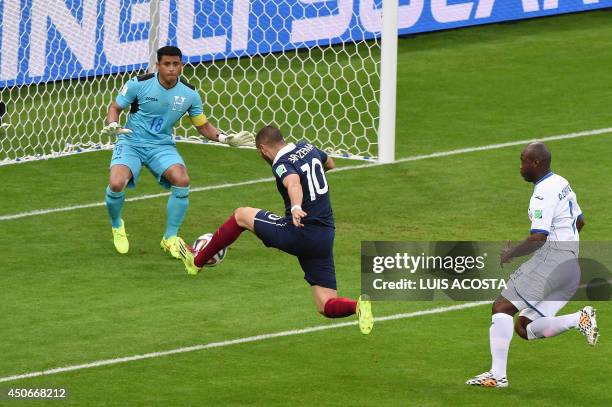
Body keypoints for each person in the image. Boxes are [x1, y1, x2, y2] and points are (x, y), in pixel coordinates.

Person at [175, 125, 373, 334]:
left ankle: (196, 262)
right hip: (324, 236)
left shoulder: (281, 162)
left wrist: (296, 206)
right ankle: (358, 306)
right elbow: (329, 163)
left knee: (241, 215)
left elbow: (293, 183)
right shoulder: (308, 147)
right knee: (325, 304)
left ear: (262, 149)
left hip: (299, 231)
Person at [466, 142, 598, 388]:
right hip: (571, 266)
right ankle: (579, 319)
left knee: (502, 307)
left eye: (523, 161)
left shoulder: (542, 193)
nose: (520, 167)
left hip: (553, 262)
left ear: (536, 163)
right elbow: (579, 222)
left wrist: (511, 254)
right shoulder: (562, 182)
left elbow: (539, 237)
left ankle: (497, 375)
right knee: (525, 328)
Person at [102, 46, 254, 257]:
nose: (171, 69)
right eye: (167, 64)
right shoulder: (139, 84)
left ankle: (170, 238)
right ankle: (117, 225)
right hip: (131, 142)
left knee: (182, 180)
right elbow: (114, 108)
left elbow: (202, 126)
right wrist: (113, 124)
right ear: (158, 66)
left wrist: (225, 138)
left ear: (181, 66)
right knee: (116, 183)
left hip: (161, 146)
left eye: (176, 64)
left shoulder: (189, 94)